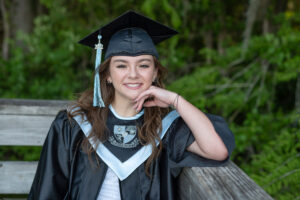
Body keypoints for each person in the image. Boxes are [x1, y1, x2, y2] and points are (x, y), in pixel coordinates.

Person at [28, 10, 235, 200]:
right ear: (108, 75)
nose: (133, 74)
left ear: (154, 72)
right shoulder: (73, 125)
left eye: (144, 65)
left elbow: (217, 151)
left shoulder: (165, 127)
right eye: (121, 65)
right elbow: (47, 192)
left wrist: (175, 100)